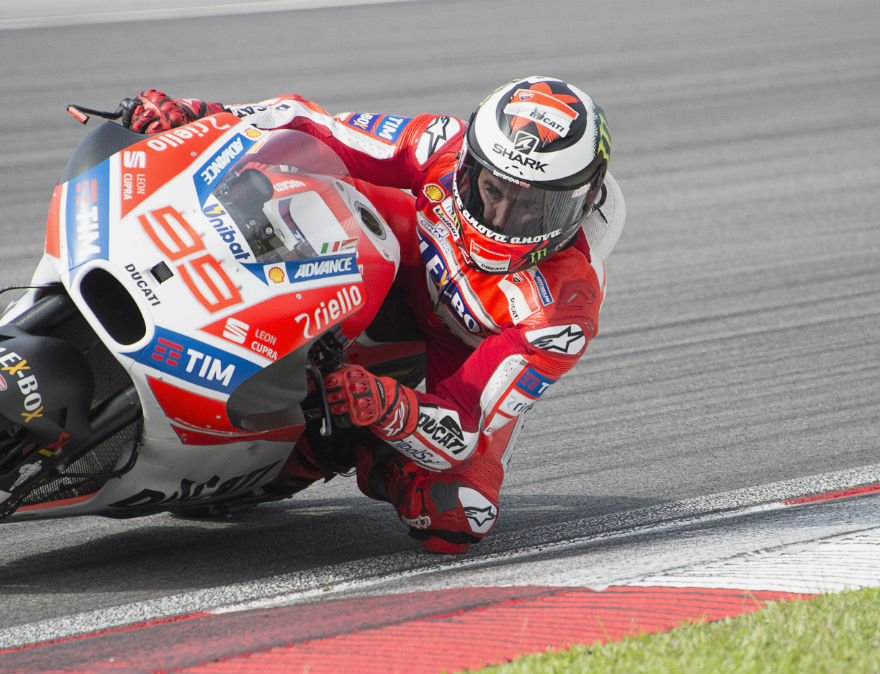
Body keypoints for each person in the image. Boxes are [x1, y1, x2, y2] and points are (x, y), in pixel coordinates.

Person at [121, 77, 625, 553]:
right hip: (396, 251)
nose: (502, 218)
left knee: (456, 516)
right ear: (470, 160)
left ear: (585, 201)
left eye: (535, 207)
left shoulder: (563, 309)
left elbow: (465, 424)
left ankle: (327, 448)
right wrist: (205, 116)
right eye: (491, 189)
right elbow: (315, 126)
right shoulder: (440, 145)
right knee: (295, 176)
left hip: (458, 360)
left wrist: (388, 408)